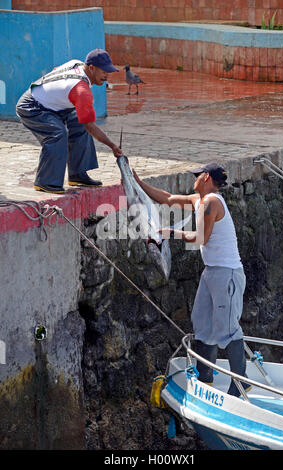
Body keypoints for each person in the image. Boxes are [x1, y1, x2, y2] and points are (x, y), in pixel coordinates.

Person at [133, 162, 250, 397]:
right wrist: (137, 181)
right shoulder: (200, 200)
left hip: (227, 274)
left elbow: (201, 239)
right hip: (212, 272)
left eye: (196, 176)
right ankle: (205, 377)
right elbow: (166, 198)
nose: (193, 179)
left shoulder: (211, 202)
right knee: (202, 322)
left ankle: (241, 382)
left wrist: (169, 233)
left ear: (206, 177)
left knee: (226, 329)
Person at [16, 49, 123, 193]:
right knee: (58, 134)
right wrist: (112, 145)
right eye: (104, 72)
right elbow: (91, 126)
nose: (107, 76)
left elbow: (56, 73)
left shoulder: (77, 64)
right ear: (91, 68)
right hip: (32, 106)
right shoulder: (81, 90)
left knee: (80, 124)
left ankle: (78, 174)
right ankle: (46, 182)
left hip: (55, 106)